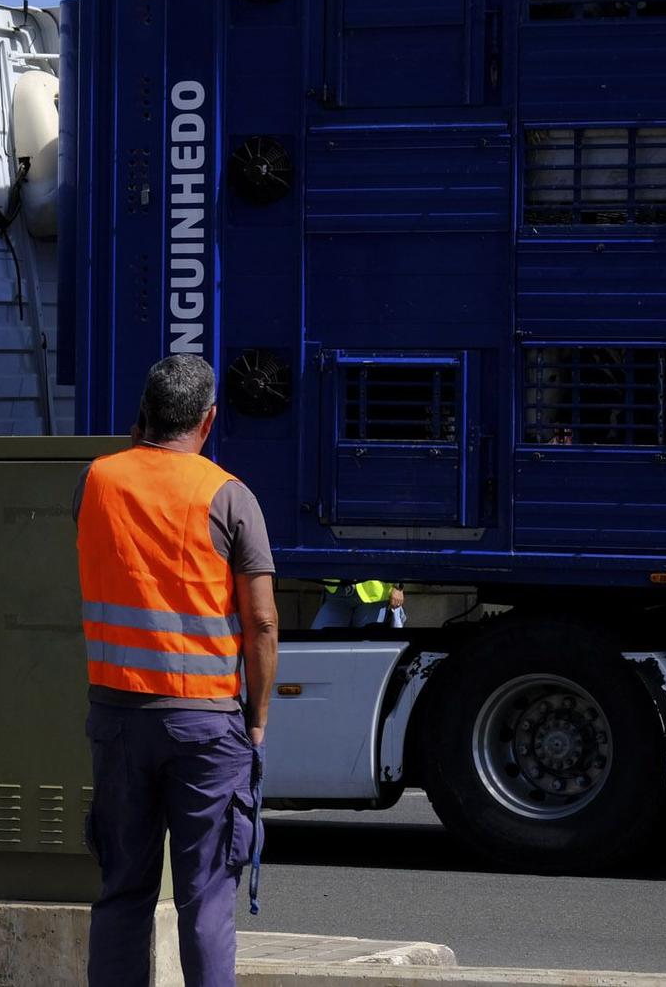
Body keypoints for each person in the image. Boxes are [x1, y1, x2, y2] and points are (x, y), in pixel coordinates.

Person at [74, 354, 278, 987]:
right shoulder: (230, 496)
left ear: (145, 412)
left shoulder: (95, 481)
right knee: (206, 897)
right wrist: (259, 721)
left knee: (123, 888)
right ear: (209, 419)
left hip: (117, 716)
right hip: (207, 723)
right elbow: (263, 624)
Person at [313, 580, 406, 629]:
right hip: (337, 592)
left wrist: (398, 586)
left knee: (369, 648)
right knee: (317, 645)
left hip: (372, 597)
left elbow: (398, 547)